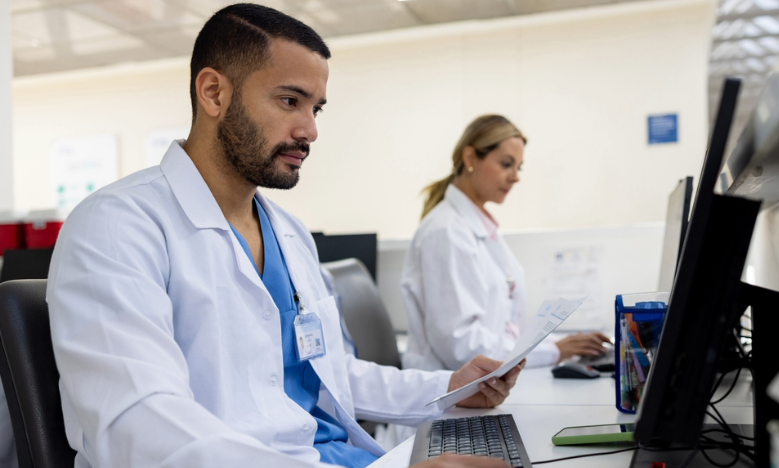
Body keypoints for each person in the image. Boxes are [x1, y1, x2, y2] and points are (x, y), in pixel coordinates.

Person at [46, 4, 521, 468]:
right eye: (290, 101)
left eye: (316, 108)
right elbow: (140, 424)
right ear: (214, 93)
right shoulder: (118, 225)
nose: (310, 129)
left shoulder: (288, 233)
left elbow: (329, 374)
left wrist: (450, 388)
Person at [400, 115, 611, 372]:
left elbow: (504, 331)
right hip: (451, 389)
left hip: (484, 381)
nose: (515, 177)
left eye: (519, 167)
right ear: (470, 158)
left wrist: (561, 343)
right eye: (506, 164)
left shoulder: (480, 229)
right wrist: (554, 351)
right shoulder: (446, 232)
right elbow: (461, 346)